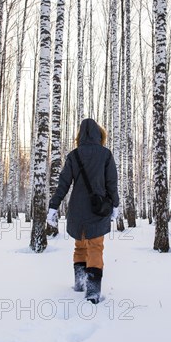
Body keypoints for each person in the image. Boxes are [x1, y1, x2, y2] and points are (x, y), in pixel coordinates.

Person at [46, 118, 120, 304]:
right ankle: (93, 292)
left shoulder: (74, 155)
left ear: (80, 135)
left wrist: (54, 206)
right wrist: (116, 205)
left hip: (77, 210)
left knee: (80, 246)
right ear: (99, 134)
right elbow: (112, 183)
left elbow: (63, 184)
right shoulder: (105, 154)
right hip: (98, 209)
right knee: (95, 247)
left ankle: (80, 284)